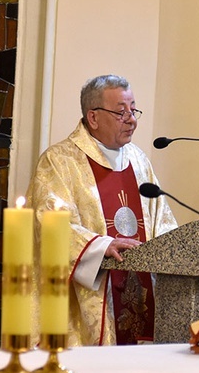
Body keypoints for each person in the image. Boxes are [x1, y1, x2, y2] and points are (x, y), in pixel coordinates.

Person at [27, 74, 178, 346]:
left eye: (134, 110)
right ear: (93, 118)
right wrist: (101, 246)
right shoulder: (60, 161)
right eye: (121, 112)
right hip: (88, 308)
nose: (131, 119)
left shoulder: (139, 161)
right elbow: (48, 224)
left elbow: (162, 224)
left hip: (143, 300)